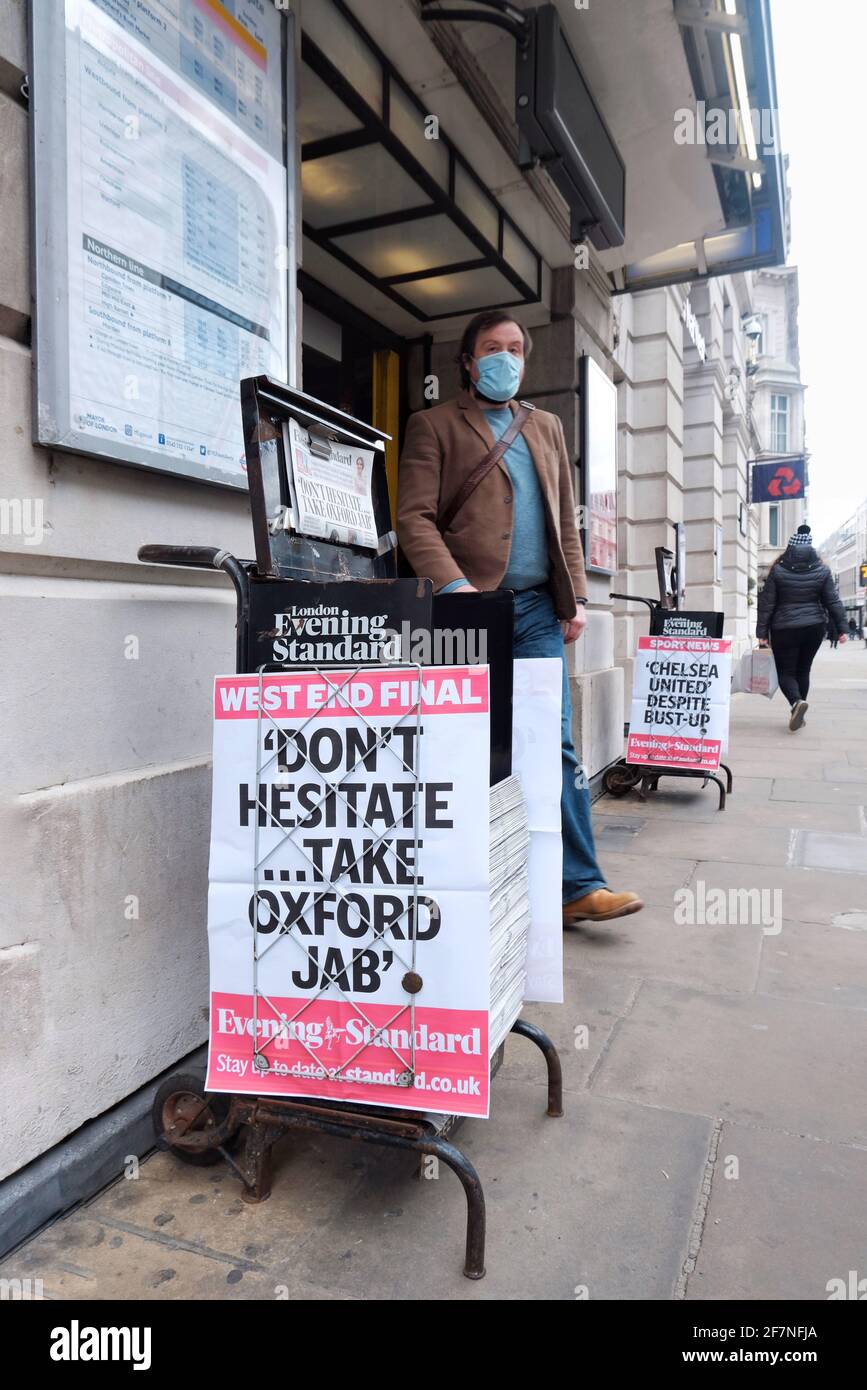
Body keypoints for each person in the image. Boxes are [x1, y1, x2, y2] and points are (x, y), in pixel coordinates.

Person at [397, 309, 643, 926]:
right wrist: (452, 587)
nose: (505, 358)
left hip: (536, 610)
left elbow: (566, 517)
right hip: (467, 610)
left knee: (549, 741)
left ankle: (578, 886)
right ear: (469, 360)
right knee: (468, 744)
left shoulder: (547, 426)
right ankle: (466, 884)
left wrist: (577, 596)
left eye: (515, 348)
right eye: (492, 348)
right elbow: (414, 519)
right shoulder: (433, 425)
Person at [756, 524, 847, 731]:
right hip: (814, 627)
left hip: (784, 628)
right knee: (803, 670)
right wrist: (841, 629)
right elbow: (833, 601)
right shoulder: (822, 571)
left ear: (789, 550)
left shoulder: (778, 571)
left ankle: (797, 703)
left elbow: (767, 604)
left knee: (785, 672)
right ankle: (799, 709)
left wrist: (762, 633)